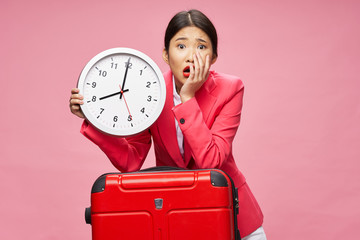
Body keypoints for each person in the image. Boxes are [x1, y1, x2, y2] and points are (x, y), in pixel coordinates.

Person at [70, 9, 266, 240]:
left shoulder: (231, 88)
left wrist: (187, 98)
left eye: (201, 47)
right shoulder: (148, 89)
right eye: (181, 46)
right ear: (166, 54)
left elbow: (210, 162)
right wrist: (91, 120)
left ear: (213, 57)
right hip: (177, 217)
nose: (191, 56)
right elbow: (131, 162)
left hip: (234, 218)